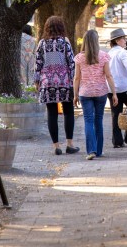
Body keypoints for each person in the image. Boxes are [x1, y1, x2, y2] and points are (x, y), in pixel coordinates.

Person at [33, 16, 80, 156]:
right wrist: (75, 81)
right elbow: (72, 63)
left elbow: (37, 64)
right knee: (68, 111)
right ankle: (70, 144)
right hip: (64, 81)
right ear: (61, 27)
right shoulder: (65, 42)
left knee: (52, 113)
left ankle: (56, 146)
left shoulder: (42, 43)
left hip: (47, 82)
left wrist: (37, 81)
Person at [73, 29, 118, 160]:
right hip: (101, 92)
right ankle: (99, 150)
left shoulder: (79, 58)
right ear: (96, 41)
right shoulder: (103, 56)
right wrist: (114, 93)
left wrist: (75, 95)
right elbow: (108, 75)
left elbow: (76, 78)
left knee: (88, 120)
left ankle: (90, 151)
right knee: (99, 120)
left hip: (85, 93)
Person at [107, 28, 127, 147]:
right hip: (124, 88)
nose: (125, 41)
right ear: (118, 40)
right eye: (124, 39)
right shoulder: (122, 52)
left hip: (111, 88)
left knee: (116, 114)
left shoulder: (109, 53)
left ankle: (117, 141)